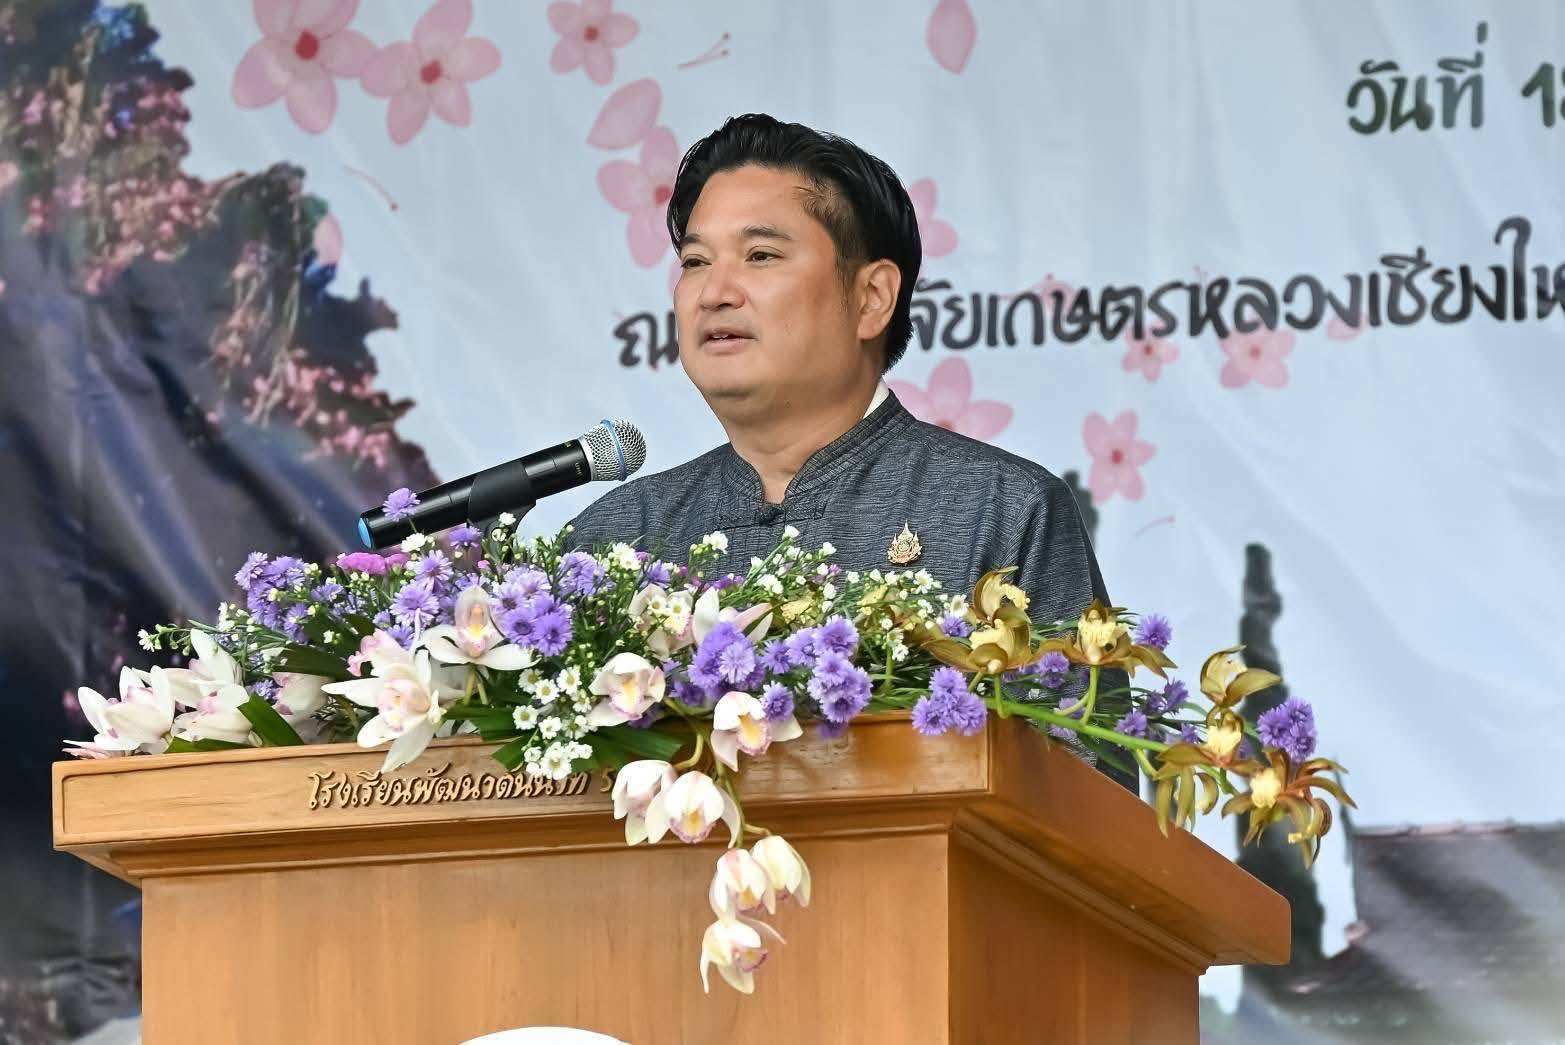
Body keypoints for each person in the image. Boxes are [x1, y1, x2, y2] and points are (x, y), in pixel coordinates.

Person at [571, 113, 1111, 631]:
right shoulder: (616, 536)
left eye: (760, 255)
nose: (714, 293)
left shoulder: (1004, 510)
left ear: (872, 297)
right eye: (695, 262)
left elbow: (1068, 700)